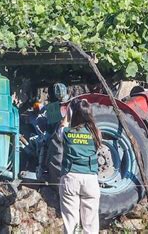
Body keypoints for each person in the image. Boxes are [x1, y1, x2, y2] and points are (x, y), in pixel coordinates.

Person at [58, 98, 102, 233]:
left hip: (71, 178)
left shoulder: (66, 133)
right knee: (91, 225)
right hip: (90, 180)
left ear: (73, 114)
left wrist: (68, 113)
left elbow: (62, 126)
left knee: (71, 223)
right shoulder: (96, 134)